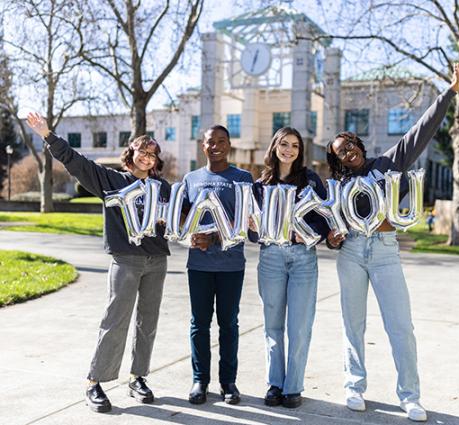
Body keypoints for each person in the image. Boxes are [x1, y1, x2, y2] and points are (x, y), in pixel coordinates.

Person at [325, 63, 459, 422]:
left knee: (400, 325)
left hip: (386, 253)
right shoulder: (337, 188)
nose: (347, 153)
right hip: (352, 253)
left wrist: (450, 92)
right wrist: (333, 238)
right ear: (336, 160)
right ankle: (354, 387)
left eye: (350, 146)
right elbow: (329, 230)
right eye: (340, 152)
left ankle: (410, 395)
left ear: (358, 145)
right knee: (352, 324)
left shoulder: (388, 164)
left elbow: (421, 132)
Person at [27, 112, 171, 413]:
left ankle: (138, 378)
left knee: (149, 322)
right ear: (130, 154)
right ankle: (95, 382)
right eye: (142, 152)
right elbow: (75, 161)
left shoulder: (162, 188)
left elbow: (181, 217)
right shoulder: (112, 181)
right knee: (115, 321)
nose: (147, 157)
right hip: (126, 260)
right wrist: (47, 134)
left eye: (152, 154)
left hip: (157, 260)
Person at [249, 127, 330, 408]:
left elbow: (325, 218)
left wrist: (307, 233)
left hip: (302, 259)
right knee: (272, 326)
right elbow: (253, 233)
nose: (289, 150)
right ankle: (275, 384)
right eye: (284, 144)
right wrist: (253, 228)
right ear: (274, 147)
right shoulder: (260, 186)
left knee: (299, 326)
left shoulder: (309, 181)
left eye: (295, 145)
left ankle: (293, 387)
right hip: (271, 258)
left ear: (300, 151)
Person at [182, 125, 253, 405]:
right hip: (198, 265)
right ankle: (200, 380)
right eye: (211, 142)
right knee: (199, 324)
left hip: (231, 265)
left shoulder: (243, 178)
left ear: (229, 145)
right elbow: (183, 218)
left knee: (229, 324)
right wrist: (186, 235)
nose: (216, 146)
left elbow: (248, 223)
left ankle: (228, 382)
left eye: (222, 141)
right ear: (203, 146)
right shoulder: (190, 179)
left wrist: (214, 236)